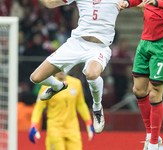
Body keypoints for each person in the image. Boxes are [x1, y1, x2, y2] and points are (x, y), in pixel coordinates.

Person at [29, 0, 142, 133]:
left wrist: (155, 5)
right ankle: (57, 86)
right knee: (35, 77)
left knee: (91, 74)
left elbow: (143, 6)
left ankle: (97, 108)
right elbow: (50, 3)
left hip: (99, 47)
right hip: (75, 44)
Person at [117, 0, 163, 150]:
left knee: (154, 94)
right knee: (138, 90)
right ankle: (149, 133)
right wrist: (127, 3)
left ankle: (154, 142)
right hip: (145, 42)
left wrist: (154, 1)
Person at [29, 72, 95, 150]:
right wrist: (34, 124)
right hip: (55, 129)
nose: (61, 71)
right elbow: (39, 107)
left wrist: (88, 122)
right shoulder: (47, 85)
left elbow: (81, 104)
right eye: (58, 68)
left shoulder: (76, 83)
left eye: (63, 68)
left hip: (72, 129)